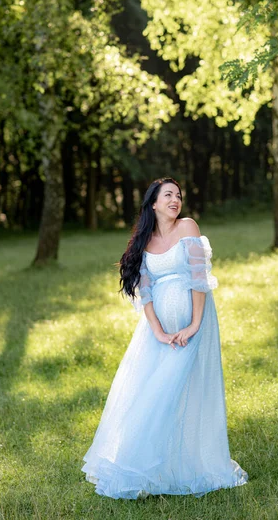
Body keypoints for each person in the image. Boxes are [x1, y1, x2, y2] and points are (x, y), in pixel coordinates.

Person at [82, 177, 248, 499]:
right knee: (148, 391)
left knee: (177, 391)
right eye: (168, 195)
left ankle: (181, 464)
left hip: (192, 326)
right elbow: (145, 291)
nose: (175, 200)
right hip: (158, 333)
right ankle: (145, 466)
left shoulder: (188, 227)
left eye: (179, 195)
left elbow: (199, 279)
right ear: (153, 203)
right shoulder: (144, 240)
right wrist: (157, 330)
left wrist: (194, 325)